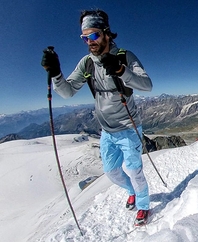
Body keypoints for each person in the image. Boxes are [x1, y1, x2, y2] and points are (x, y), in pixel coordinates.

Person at [41, 9, 153, 226]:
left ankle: (143, 205)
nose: (89, 41)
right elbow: (67, 91)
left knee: (133, 169)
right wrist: (55, 73)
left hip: (128, 127)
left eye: (93, 35)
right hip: (107, 131)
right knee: (111, 172)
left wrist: (121, 71)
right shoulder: (87, 64)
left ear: (106, 33)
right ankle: (131, 191)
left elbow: (146, 85)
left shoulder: (125, 57)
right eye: (84, 37)